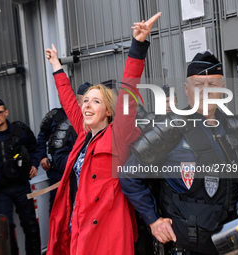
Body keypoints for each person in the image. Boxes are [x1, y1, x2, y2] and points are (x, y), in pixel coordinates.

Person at [120, 50, 238, 255]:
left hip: (232, 244)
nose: (205, 91)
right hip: (184, 246)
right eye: (198, 85)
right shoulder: (170, 129)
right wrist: (154, 220)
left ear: (222, 88)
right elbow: (129, 175)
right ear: (187, 89)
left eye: (212, 84)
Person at [45, 12, 162, 255]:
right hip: (79, 224)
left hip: (108, 231)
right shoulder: (83, 135)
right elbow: (68, 100)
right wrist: (56, 65)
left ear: (108, 110)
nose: (86, 105)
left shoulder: (119, 134)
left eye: (95, 102)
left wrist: (138, 45)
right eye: (85, 101)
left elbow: (129, 88)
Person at [0, 95, 41, 255]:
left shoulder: (20, 131)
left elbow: (35, 147)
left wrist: (34, 164)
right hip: (0, 190)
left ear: (6, 112)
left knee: (31, 226)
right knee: (6, 231)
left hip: (21, 186)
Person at [36, 83, 93, 212]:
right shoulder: (53, 116)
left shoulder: (89, 117)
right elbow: (41, 139)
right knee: (58, 210)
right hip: (58, 172)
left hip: (81, 172)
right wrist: (43, 156)